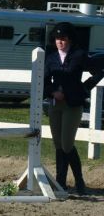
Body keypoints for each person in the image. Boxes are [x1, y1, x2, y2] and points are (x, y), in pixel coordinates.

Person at [44, 22, 103, 195]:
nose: (60, 41)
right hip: (55, 105)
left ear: (69, 39)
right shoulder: (50, 58)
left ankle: (79, 181)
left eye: (63, 38)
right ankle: (60, 181)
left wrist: (83, 89)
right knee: (58, 144)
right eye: (57, 38)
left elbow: (99, 72)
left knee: (67, 144)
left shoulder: (79, 55)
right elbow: (45, 80)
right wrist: (53, 92)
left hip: (72, 105)